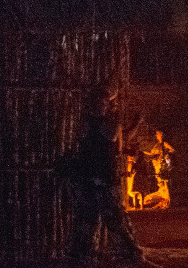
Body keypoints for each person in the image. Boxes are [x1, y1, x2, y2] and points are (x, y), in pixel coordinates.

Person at [63, 82, 159, 268]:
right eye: (101, 102)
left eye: (105, 102)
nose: (103, 105)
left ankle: (130, 257)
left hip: (104, 178)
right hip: (94, 178)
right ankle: (84, 258)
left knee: (109, 219)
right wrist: (117, 117)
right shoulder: (91, 123)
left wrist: (135, 124)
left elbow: (120, 141)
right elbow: (111, 135)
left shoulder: (102, 122)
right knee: (98, 220)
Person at [141, 130, 175, 209]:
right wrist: (145, 153)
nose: (156, 135)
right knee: (160, 183)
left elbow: (172, 150)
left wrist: (165, 154)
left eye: (157, 134)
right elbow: (152, 154)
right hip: (156, 166)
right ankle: (162, 200)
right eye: (156, 134)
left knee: (163, 182)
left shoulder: (164, 144)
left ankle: (165, 201)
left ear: (161, 135)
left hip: (161, 167)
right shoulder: (156, 145)